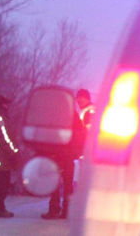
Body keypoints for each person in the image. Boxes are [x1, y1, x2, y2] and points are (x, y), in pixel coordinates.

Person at [43, 88, 94, 220]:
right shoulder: (76, 114)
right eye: (76, 98)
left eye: (80, 97)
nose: (78, 100)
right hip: (71, 154)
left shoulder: (87, 112)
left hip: (63, 154)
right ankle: (66, 211)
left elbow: (86, 134)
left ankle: (56, 210)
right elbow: (80, 134)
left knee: (58, 182)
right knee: (68, 184)